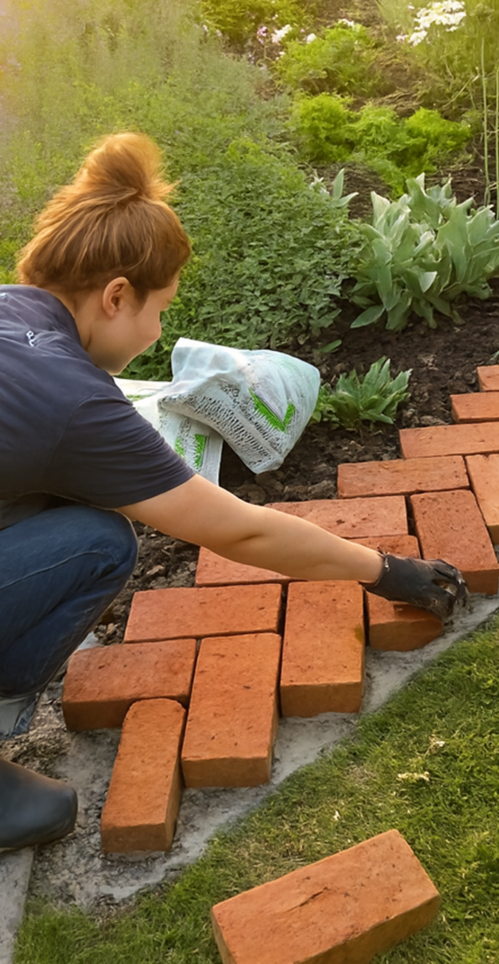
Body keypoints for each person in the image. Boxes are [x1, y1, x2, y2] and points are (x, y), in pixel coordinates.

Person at [0, 132, 467, 852]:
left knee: (71, 502)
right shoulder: (72, 401)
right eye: (159, 310)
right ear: (116, 295)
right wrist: (385, 570)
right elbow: (240, 531)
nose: (158, 330)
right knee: (97, 543)